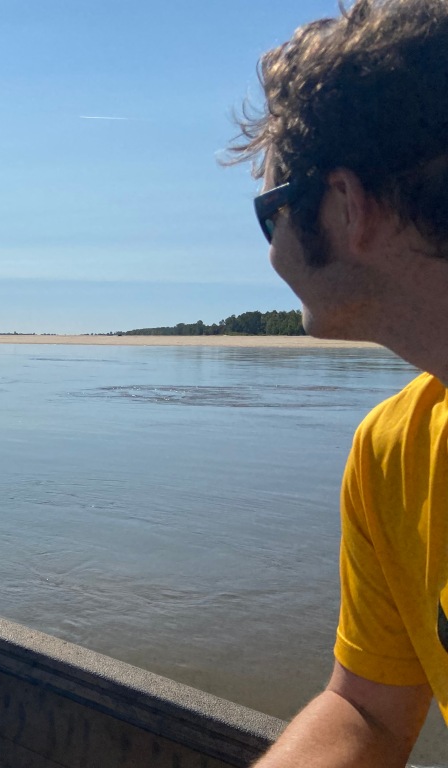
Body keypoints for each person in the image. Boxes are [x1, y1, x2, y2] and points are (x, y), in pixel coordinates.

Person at [226, 0, 448, 764]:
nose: (271, 251)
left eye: (271, 215)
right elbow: (368, 712)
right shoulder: (396, 452)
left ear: (348, 206)